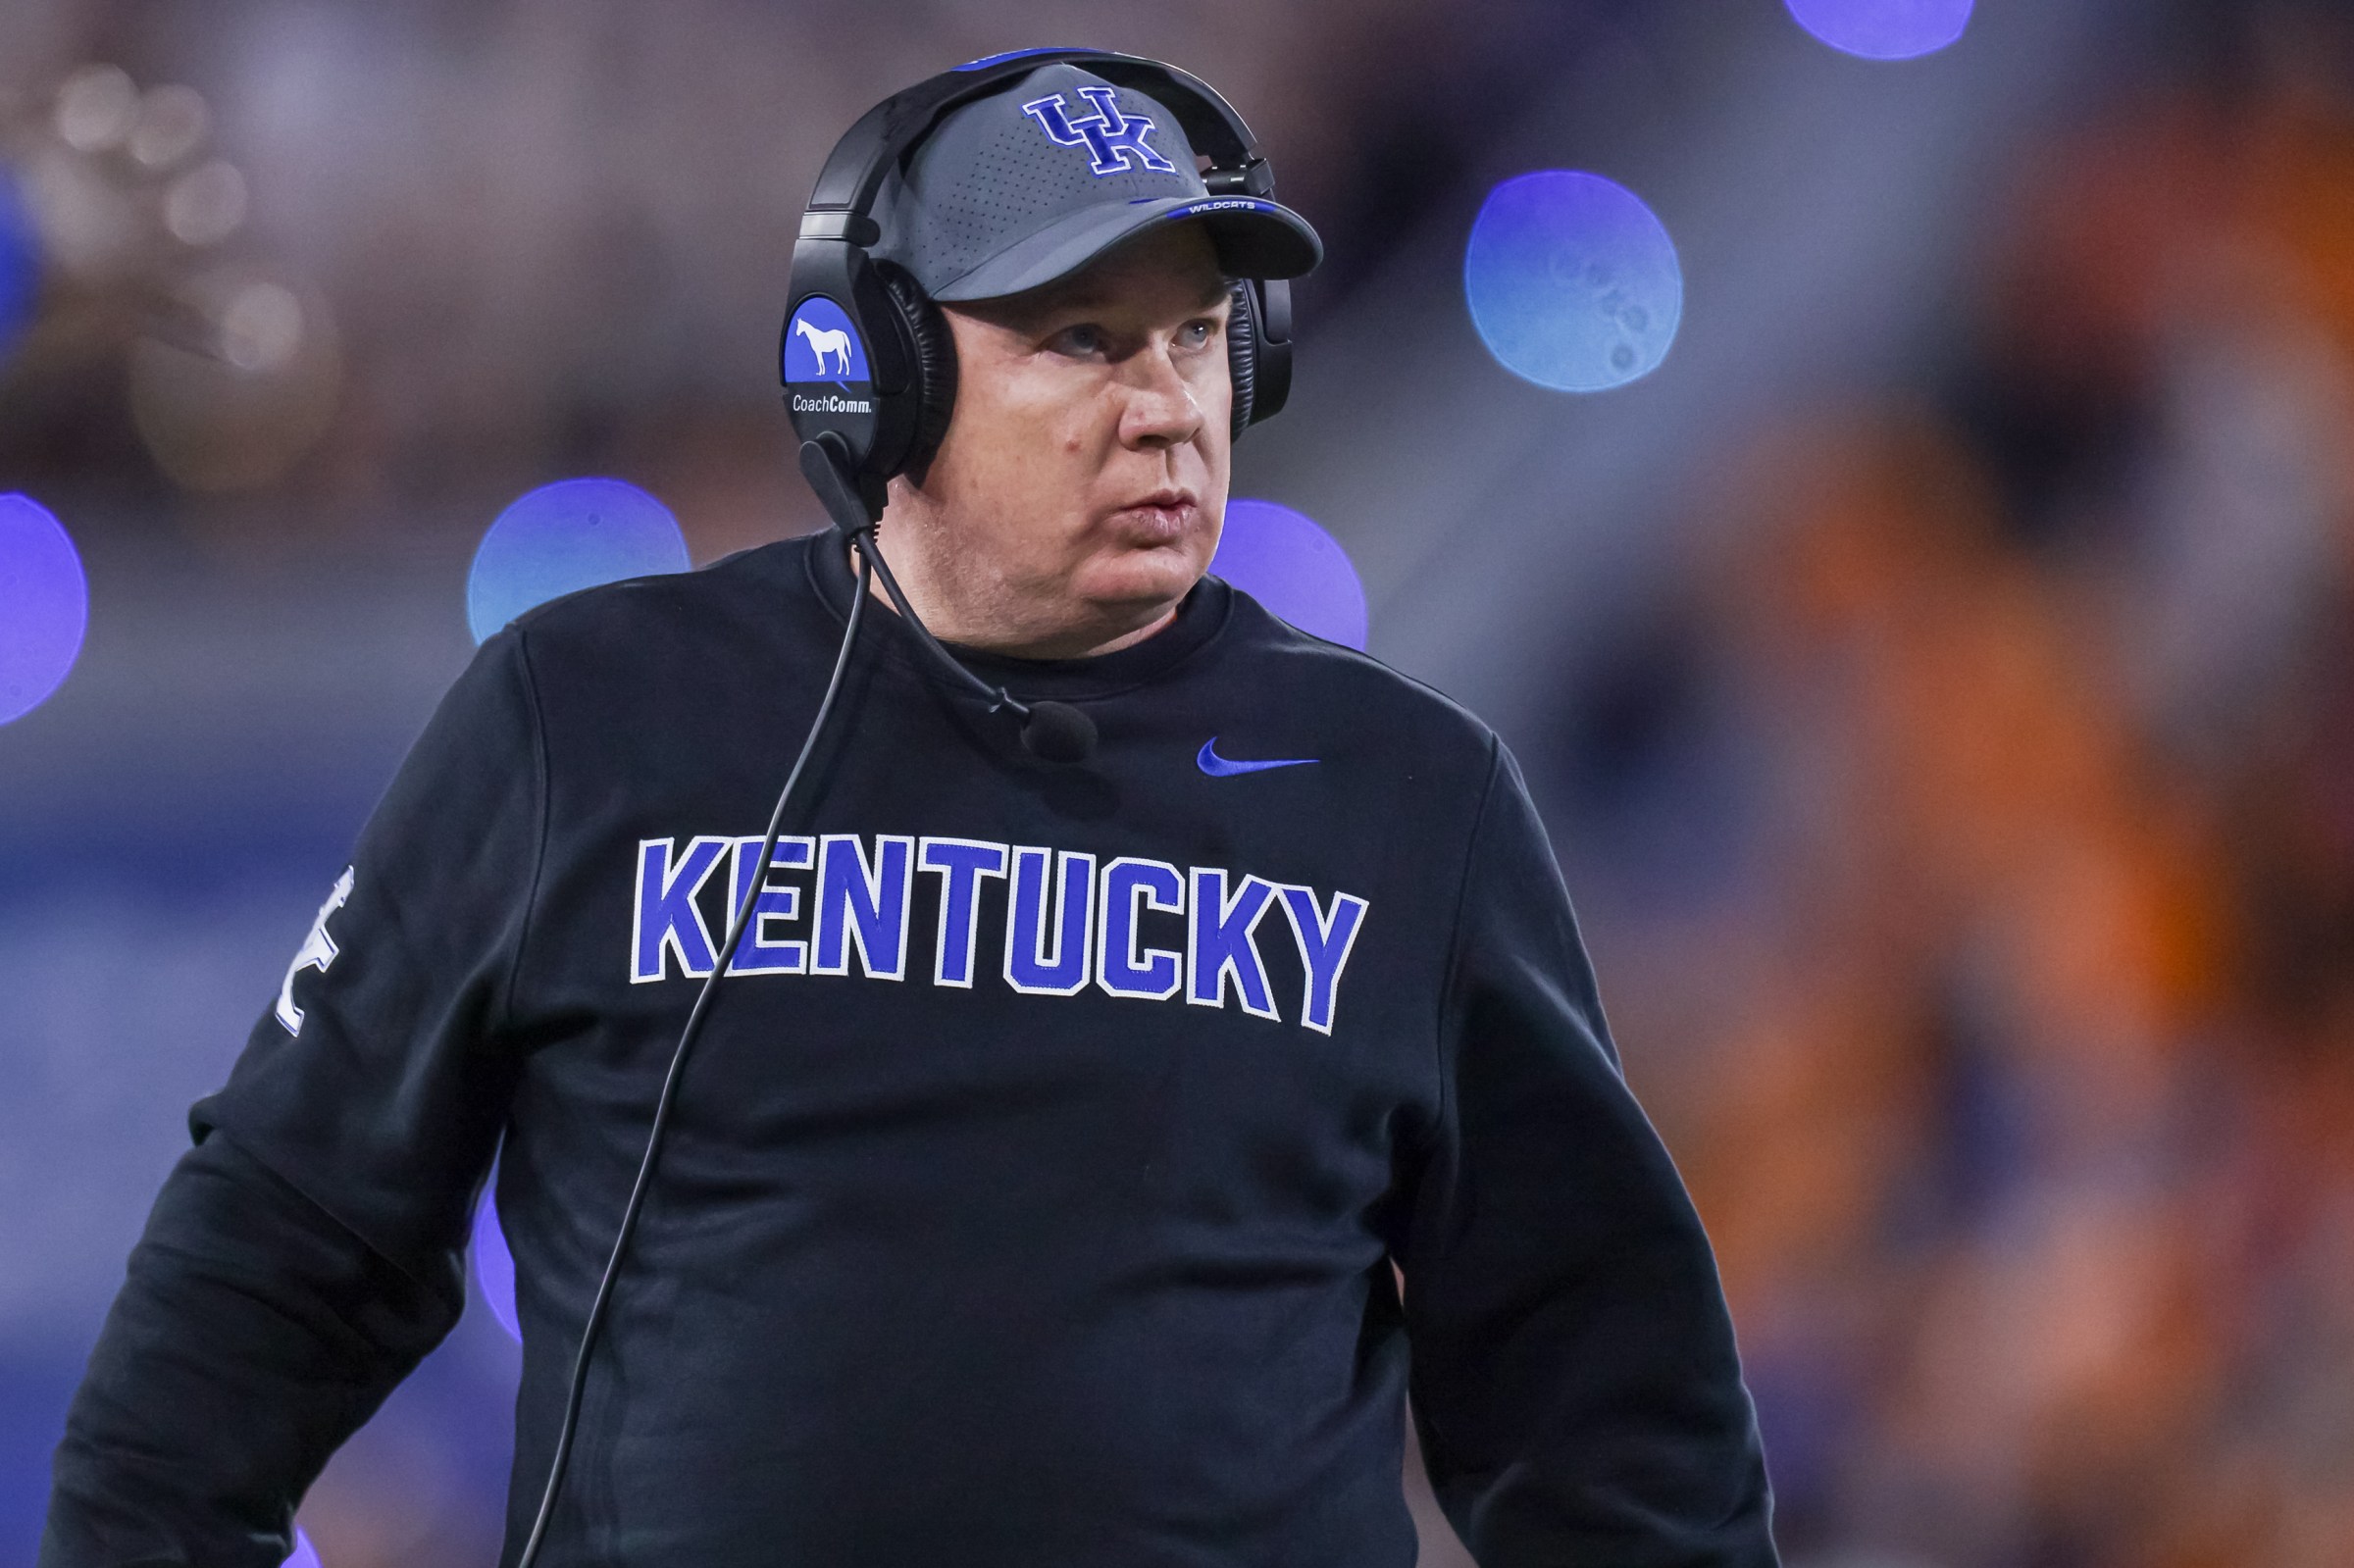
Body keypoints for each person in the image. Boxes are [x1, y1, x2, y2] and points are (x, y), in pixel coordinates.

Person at [41, 54, 1777, 1568]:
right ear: (876, 376)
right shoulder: (589, 719)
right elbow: (273, 1254)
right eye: (1079, 338)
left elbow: (1612, 1412)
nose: (1167, 406)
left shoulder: (1409, 795)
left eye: (1193, 333)